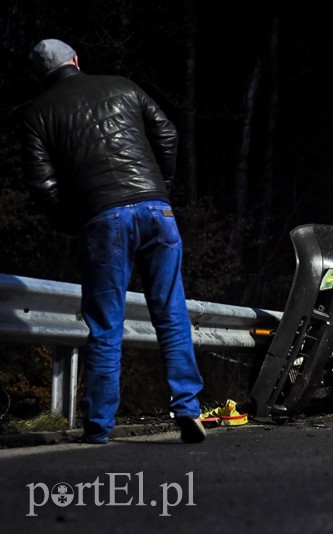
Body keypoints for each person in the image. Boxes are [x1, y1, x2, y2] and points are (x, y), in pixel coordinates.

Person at [19, 39, 205, 443]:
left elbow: (42, 183)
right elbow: (167, 135)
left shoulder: (37, 113)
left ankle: (99, 426)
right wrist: (161, 188)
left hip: (102, 217)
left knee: (106, 324)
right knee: (171, 313)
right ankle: (188, 407)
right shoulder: (122, 85)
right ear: (76, 60)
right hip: (157, 210)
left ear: (39, 75)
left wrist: (74, 219)